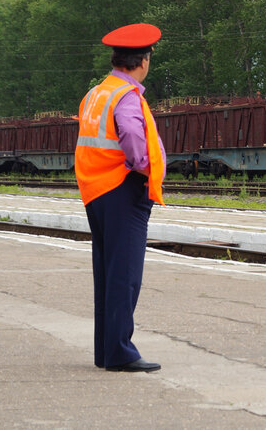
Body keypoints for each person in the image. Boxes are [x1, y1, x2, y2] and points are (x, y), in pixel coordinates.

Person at [75, 23, 166, 373]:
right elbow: (129, 132)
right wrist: (143, 166)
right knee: (125, 274)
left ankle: (107, 350)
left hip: (96, 192)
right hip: (123, 189)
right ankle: (121, 352)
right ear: (142, 61)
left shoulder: (97, 92)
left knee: (108, 272)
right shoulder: (126, 96)